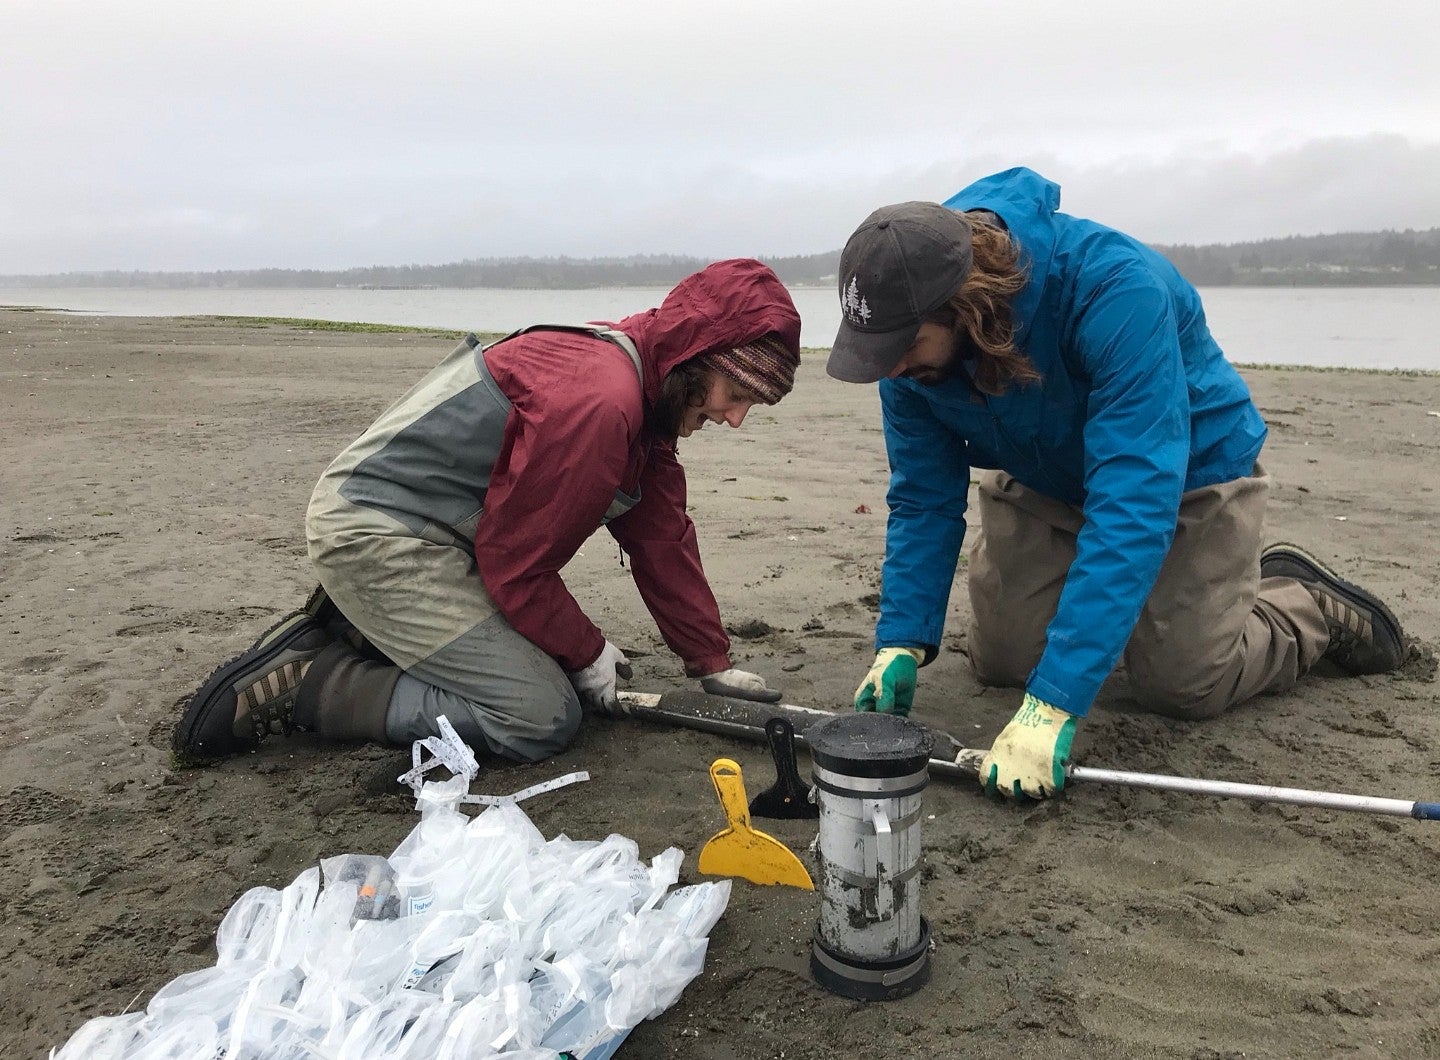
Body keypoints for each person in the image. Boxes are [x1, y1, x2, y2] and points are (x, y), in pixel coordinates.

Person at [826, 167, 1408, 800]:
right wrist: (903, 640)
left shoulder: (1115, 288)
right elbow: (923, 497)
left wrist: (1054, 703)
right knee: (1004, 662)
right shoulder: (907, 356)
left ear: (965, 305)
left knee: (1183, 684)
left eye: (905, 347)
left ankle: (1300, 601)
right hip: (1046, 476)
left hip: (1186, 473)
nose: (892, 368)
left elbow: (1134, 498)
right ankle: (1142, 607)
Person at [174, 258, 801, 764]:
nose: (735, 418)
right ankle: (317, 682)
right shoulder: (599, 403)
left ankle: (364, 627)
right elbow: (515, 563)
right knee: (539, 715)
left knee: (552, 664)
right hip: (378, 534)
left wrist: (711, 661)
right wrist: (586, 652)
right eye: (736, 394)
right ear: (696, 359)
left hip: (442, 539)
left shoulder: (646, 386)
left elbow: (660, 536)